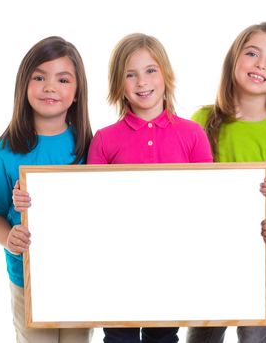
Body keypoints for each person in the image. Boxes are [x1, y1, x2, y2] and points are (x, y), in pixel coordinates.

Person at [87, 32, 214, 343]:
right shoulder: (105, 138)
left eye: (150, 70)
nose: (141, 82)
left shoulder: (192, 134)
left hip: (171, 261)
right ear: (119, 84)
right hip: (117, 263)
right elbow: (92, 203)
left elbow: (208, 197)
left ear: (166, 74)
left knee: (163, 337)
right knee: (119, 337)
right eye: (130, 74)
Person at [186, 22, 266, 343]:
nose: (260, 65)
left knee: (254, 335)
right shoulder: (202, 120)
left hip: (262, 247)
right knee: (203, 334)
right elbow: (186, 182)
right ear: (234, 60)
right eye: (252, 53)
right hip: (211, 243)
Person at [0, 36, 93, 343]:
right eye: (39, 77)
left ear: (76, 91)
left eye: (63, 79)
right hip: (27, 280)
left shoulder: (88, 147)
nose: (49, 87)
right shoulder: (5, 151)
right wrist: (8, 238)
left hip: (77, 278)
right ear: (23, 85)